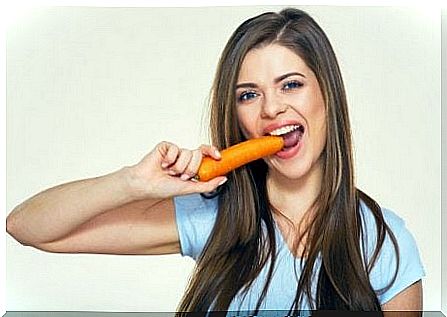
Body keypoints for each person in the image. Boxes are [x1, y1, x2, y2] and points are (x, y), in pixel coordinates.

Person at [6, 7, 425, 315]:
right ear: (238, 116)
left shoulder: (384, 242)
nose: (270, 109)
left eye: (291, 85)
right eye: (249, 94)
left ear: (327, 97)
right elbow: (29, 227)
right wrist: (134, 182)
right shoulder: (214, 217)